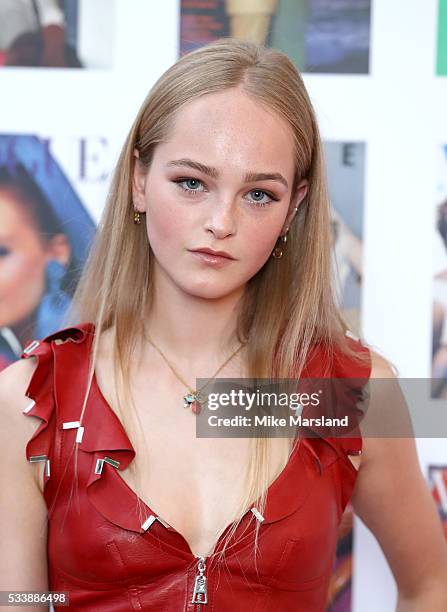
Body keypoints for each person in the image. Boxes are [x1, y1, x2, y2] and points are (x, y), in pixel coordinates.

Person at [1, 38, 447, 611]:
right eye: (192, 182)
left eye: (259, 194)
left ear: (294, 208)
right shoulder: (34, 401)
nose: (221, 222)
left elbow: (431, 584)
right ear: (139, 180)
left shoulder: (350, 394)